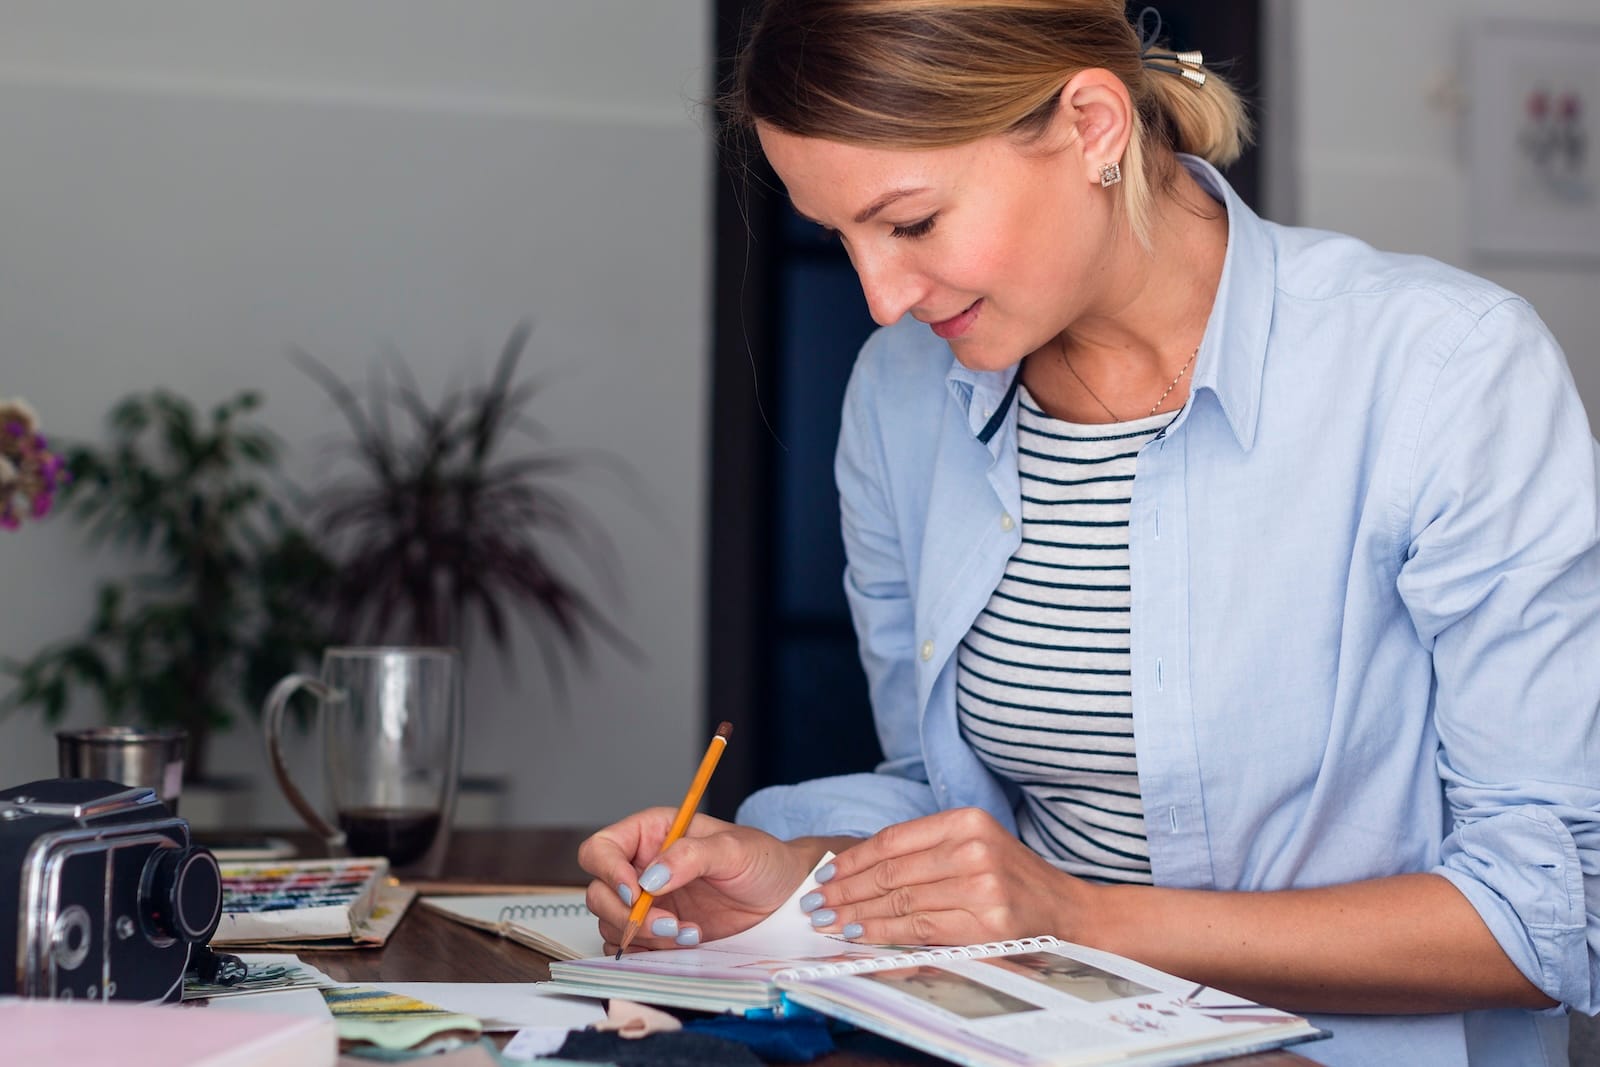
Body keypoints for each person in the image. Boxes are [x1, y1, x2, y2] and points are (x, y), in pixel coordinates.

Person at [578, 2, 1600, 1063]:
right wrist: (797, 872)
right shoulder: (901, 396)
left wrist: (1081, 918)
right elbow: (955, 799)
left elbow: (1551, 910)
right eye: (840, 239)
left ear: (1095, 127)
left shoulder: (1444, 372)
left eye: (911, 223)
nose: (880, 300)